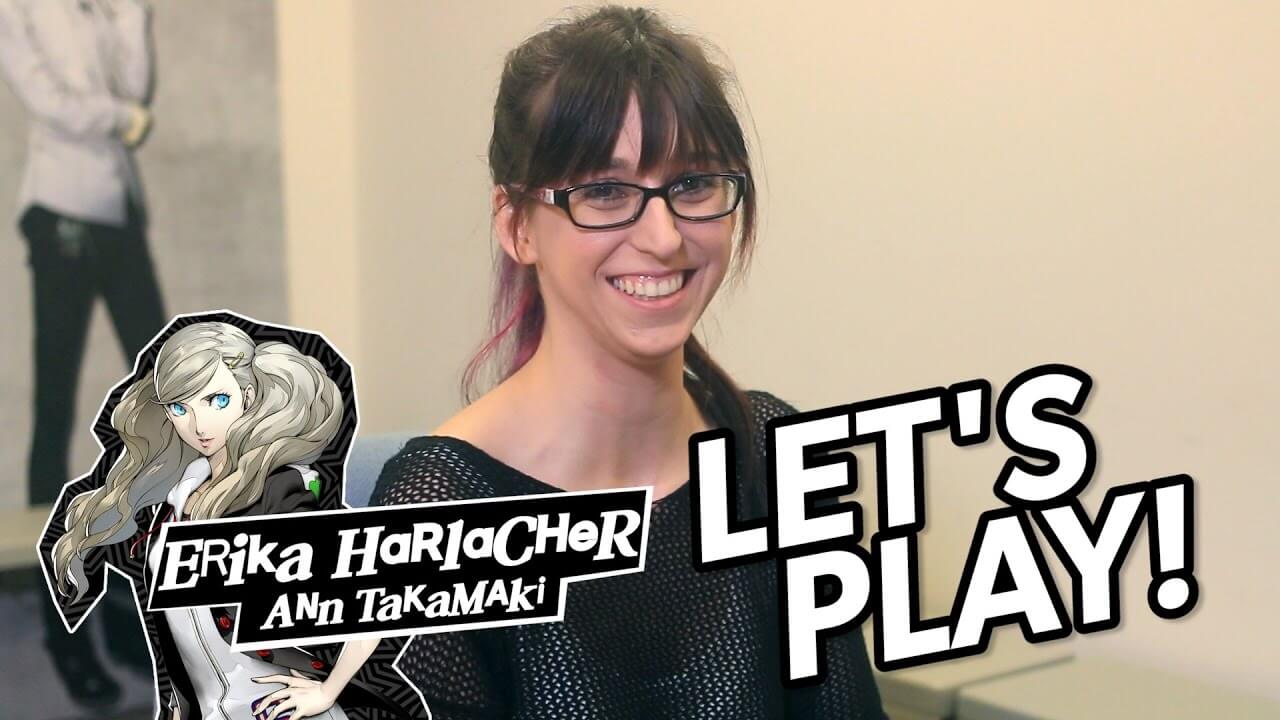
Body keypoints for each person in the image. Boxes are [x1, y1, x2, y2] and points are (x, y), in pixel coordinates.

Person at [371, 6, 886, 718]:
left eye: (695, 183)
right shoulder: (438, 519)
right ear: (517, 225)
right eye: (606, 192)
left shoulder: (771, 457)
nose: (664, 237)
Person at [45, 321, 427, 720]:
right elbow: (183, 633)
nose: (199, 426)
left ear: (247, 396)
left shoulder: (279, 492)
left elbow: (376, 596)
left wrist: (327, 692)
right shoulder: (179, 498)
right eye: (181, 408)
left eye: (217, 400)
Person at [0, 0, 166, 709]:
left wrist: (131, 13)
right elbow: (50, 100)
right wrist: (120, 119)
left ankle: (135, 612)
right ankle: (63, 635)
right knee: (55, 417)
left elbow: (135, 87)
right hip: (61, 212)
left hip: (118, 209)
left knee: (164, 408)